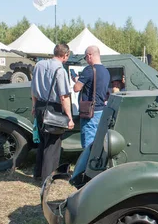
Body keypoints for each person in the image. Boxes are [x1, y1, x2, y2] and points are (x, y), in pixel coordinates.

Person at [31, 43, 74, 180]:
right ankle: (47, 178)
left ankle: (38, 173)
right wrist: (69, 117)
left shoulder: (39, 65)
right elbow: (64, 96)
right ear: (65, 55)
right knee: (52, 144)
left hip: (39, 106)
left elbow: (33, 89)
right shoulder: (60, 71)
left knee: (42, 141)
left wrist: (34, 106)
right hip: (53, 108)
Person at [72, 46, 110, 148]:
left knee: (88, 142)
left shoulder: (89, 70)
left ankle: (89, 162)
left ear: (89, 56)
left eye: (85, 58)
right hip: (101, 110)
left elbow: (76, 88)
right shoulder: (106, 71)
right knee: (98, 140)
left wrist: (76, 79)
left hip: (90, 112)